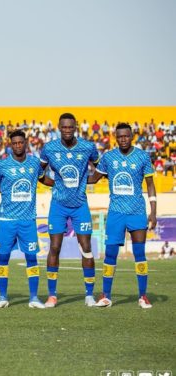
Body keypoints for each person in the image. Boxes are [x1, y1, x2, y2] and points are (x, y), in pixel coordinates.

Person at [89, 122, 157, 309]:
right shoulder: (109, 157)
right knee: (110, 254)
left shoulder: (143, 157)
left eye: (126, 136)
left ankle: (143, 296)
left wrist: (153, 212)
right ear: (115, 138)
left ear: (132, 136)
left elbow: (150, 185)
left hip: (137, 212)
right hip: (116, 213)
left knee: (139, 254)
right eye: (119, 137)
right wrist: (71, 180)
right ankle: (106, 296)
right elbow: (94, 178)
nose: (123, 139)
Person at [39, 113, 100, 308]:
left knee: (86, 247)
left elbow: (100, 167)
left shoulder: (87, 147)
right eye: (64, 127)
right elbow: (39, 172)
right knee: (54, 247)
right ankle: (52, 295)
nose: (67, 130)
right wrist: (54, 183)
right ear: (59, 127)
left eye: (70, 127)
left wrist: (90, 180)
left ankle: (89, 295)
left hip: (80, 204)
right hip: (58, 204)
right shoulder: (49, 148)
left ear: (75, 127)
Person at [0, 129, 46, 309]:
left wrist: (61, 183)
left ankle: (34, 298)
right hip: (7, 219)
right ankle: (3, 297)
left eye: (21, 142)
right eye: (15, 143)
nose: (18, 146)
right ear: (10, 145)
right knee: (3, 258)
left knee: (31, 258)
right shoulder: (2, 165)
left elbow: (44, 180)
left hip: (28, 219)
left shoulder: (35, 164)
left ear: (26, 143)